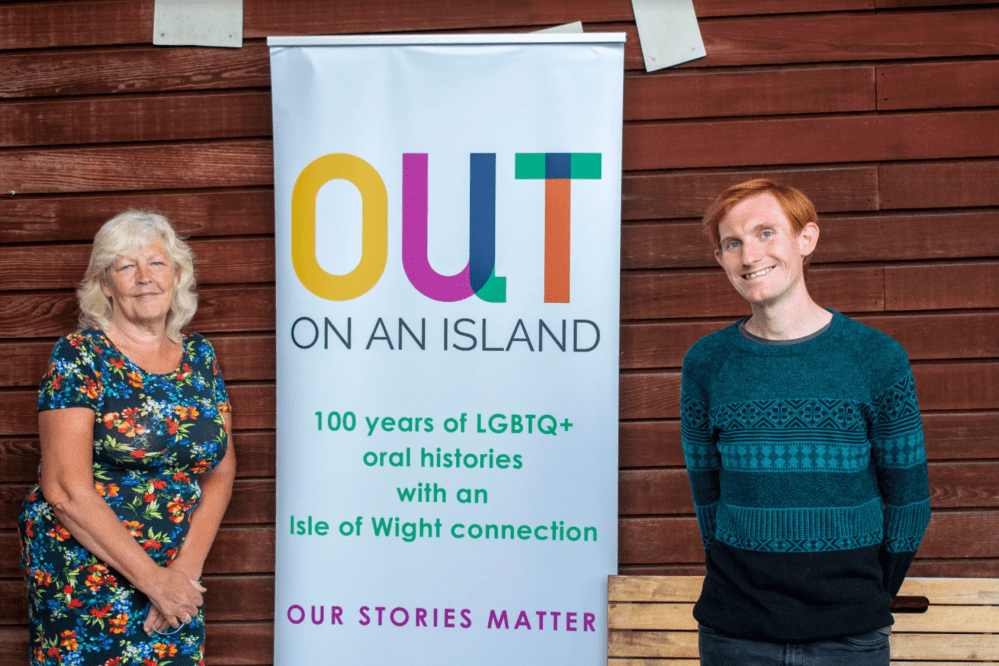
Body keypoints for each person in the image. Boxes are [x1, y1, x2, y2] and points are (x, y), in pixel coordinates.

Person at [680, 180, 930, 665]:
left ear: (806, 239)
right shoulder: (706, 363)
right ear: (721, 260)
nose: (750, 254)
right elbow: (706, 496)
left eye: (766, 233)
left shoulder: (877, 357)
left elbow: (910, 502)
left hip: (849, 637)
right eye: (732, 243)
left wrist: (864, 596)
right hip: (735, 635)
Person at [18, 210, 235, 665]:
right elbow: (65, 490)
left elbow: (220, 469)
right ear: (105, 284)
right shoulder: (80, 355)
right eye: (125, 266)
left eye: (156, 263)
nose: (144, 278)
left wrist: (183, 573)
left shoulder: (200, 355)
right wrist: (152, 580)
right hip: (89, 571)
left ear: (177, 275)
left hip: (175, 574)